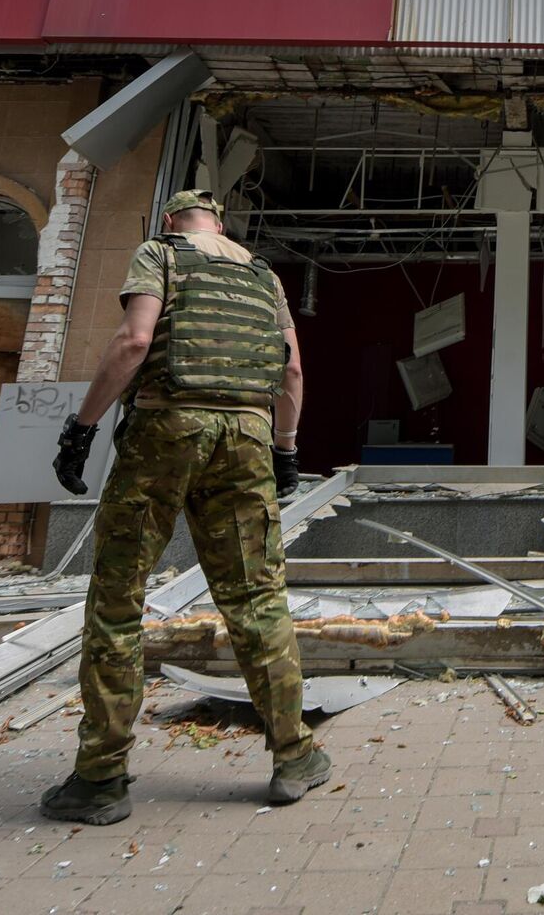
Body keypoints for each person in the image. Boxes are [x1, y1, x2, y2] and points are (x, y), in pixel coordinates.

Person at [42, 190, 329, 825]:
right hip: (249, 439)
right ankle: (293, 757)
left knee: (118, 597)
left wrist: (81, 428)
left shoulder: (160, 254)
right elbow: (293, 371)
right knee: (256, 595)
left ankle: (101, 778)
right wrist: (286, 450)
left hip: (165, 430)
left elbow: (133, 343)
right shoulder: (263, 274)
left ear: (171, 221)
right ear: (220, 224)